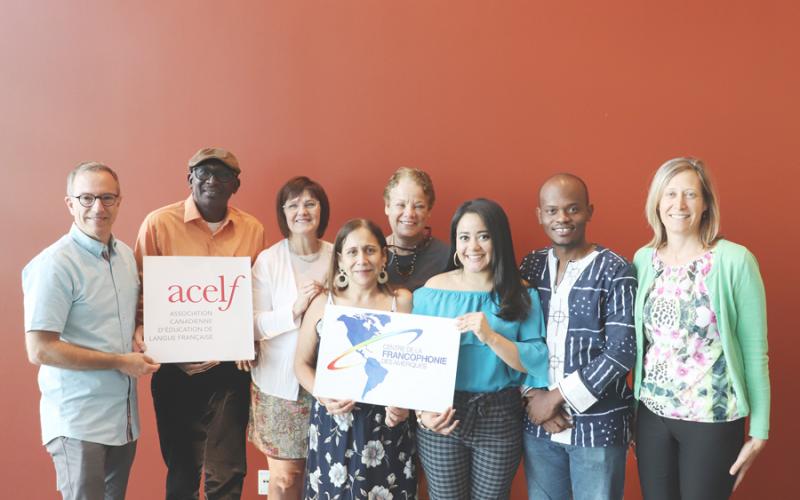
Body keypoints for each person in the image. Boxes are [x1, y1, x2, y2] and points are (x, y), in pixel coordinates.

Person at [633, 158, 769, 500]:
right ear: (657, 203)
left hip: (712, 419)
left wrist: (760, 430)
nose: (679, 205)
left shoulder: (735, 261)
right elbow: (641, 345)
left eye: (690, 195)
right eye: (670, 194)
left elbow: (755, 350)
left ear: (706, 203)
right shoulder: (642, 260)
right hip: (652, 416)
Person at [22, 162, 160, 500]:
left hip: (123, 420)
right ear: (70, 203)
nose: (97, 207)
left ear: (119, 201)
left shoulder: (126, 257)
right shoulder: (55, 264)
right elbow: (39, 349)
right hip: (78, 422)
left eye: (107, 197)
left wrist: (138, 333)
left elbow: (119, 325)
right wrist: (118, 361)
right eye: (86, 198)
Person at [134, 147, 265, 500]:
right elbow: (140, 290)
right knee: (182, 469)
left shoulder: (252, 229)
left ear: (236, 184)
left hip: (229, 370)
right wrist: (146, 335)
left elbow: (254, 296)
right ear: (189, 177)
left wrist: (248, 341)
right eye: (203, 172)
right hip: (174, 367)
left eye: (222, 175)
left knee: (228, 471)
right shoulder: (158, 224)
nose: (212, 181)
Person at [412, 198, 548, 500]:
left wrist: (490, 336)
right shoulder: (431, 292)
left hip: (500, 414)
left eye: (483, 236)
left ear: (499, 239)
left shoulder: (521, 294)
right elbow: (412, 363)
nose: (473, 246)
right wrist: (422, 414)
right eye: (464, 237)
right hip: (442, 413)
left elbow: (536, 361)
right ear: (455, 243)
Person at [520, 174, 636, 500]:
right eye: (552, 210)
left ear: (589, 211)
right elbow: (514, 338)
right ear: (539, 215)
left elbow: (621, 351)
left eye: (572, 209)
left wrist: (554, 398)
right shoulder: (529, 267)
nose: (562, 219)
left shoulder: (615, 269)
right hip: (538, 425)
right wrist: (533, 397)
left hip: (598, 428)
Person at [294, 219, 417, 499]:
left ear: (384, 256)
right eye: (352, 252)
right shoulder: (322, 303)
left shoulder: (403, 301)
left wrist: (404, 404)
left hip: (387, 425)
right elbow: (300, 364)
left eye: (370, 250)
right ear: (339, 259)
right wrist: (323, 394)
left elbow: (414, 366)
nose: (361, 259)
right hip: (333, 421)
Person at [242, 176, 332, 500]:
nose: (302, 211)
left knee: (326, 471)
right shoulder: (269, 260)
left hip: (327, 381)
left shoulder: (339, 256)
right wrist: (295, 309)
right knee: (283, 479)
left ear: (322, 209)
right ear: (283, 213)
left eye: (310, 203)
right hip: (279, 387)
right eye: (293, 204)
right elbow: (250, 325)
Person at [383, 167, 450, 291]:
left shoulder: (448, 257)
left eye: (418, 206)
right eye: (401, 205)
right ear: (387, 207)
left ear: (429, 210)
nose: (409, 213)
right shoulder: (370, 255)